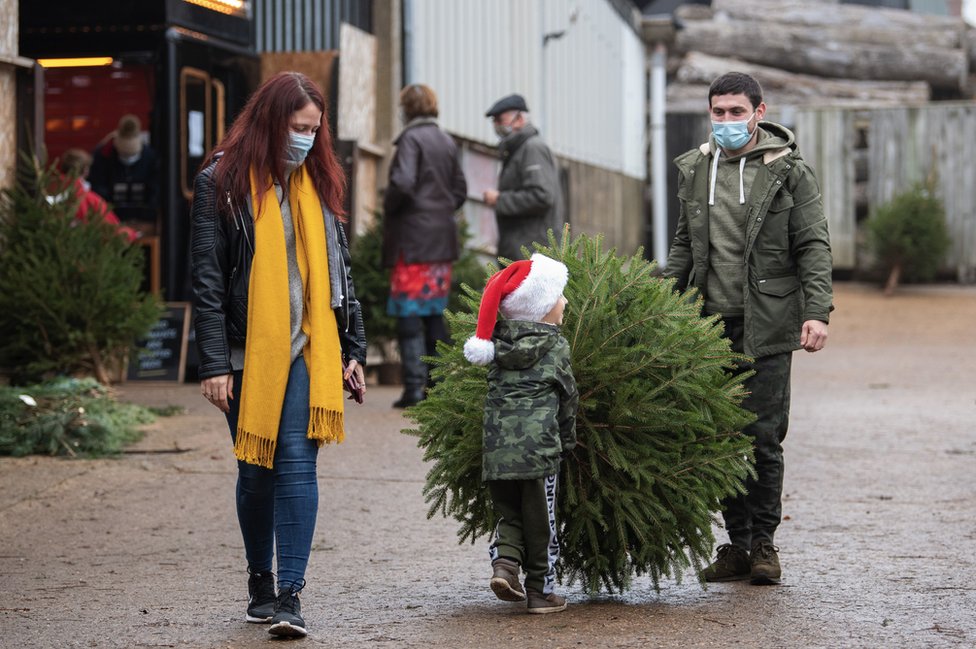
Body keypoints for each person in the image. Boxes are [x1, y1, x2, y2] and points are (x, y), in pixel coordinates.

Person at [190, 71, 367, 639]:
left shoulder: (319, 181)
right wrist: (214, 363)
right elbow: (207, 282)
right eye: (297, 129)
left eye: (315, 130)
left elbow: (341, 274)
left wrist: (353, 348)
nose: (307, 141)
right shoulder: (221, 181)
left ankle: (291, 595)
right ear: (270, 121)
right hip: (247, 353)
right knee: (255, 471)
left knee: (295, 459)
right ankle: (260, 581)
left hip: (309, 349)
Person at [664, 72, 832, 585]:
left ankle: (763, 544)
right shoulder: (695, 169)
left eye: (737, 112)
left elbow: (813, 245)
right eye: (719, 112)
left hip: (769, 322)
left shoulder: (789, 170)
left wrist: (817, 311)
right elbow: (683, 247)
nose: (727, 122)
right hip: (707, 326)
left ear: (759, 112)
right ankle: (735, 545)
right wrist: (658, 306)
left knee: (762, 437)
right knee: (718, 438)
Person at [463, 253, 578, 614]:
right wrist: (567, 441)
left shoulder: (498, 345)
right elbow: (567, 396)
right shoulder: (555, 345)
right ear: (544, 308)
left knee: (509, 515)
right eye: (560, 296)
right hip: (538, 452)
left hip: (497, 449)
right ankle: (541, 593)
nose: (565, 302)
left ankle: (505, 566)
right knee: (541, 522)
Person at [383, 83, 467, 408]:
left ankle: (413, 388)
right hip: (441, 242)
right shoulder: (446, 141)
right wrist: (440, 209)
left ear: (406, 109)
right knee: (434, 313)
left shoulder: (410, 139)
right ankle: (438, 386)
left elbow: (402, 183)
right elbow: (460, 189)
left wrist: (390, 205)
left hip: (413, 241)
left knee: (408, 314)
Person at [482, 94, 561, 262]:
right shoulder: (516, 150)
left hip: (532, 251)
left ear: (518, 118)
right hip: (520, 249)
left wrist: (500, 200)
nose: (496, 125)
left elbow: (542, 196)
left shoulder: (532, 148)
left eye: (499, 119)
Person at [49, 148, 137, 242]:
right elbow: (114, 231)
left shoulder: (46, 193)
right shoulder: (90, 199)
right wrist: (132, 233)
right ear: (86, 170)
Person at [89, 114, 160, 227]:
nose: (128, 160)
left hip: (143, 218)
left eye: (132, 156)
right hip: (111, 218)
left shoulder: (151, 158)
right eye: (124, 155)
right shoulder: (103, 156)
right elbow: (98, 188)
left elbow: (156, 190)